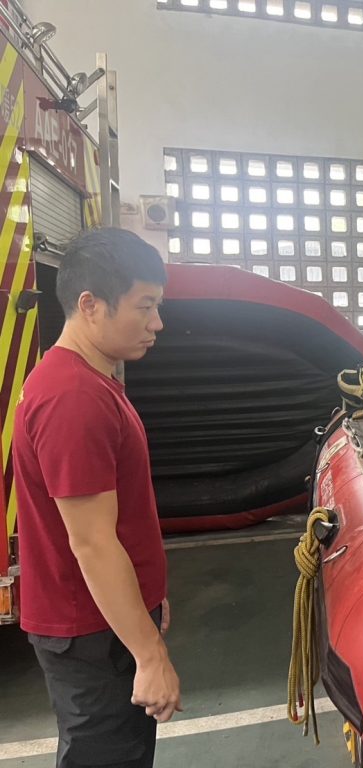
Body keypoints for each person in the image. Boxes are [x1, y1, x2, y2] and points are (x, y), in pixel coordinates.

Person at [13, 228, 182, 768]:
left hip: (106, 620)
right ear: (90, 305)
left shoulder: (90, 379)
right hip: (91, 631)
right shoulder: (73, 398)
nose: (157, 323)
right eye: (145, 306)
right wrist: (149, 654)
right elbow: (92, 543)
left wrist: (149, 599)